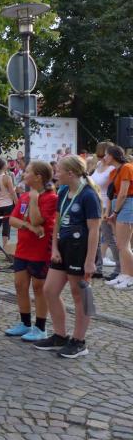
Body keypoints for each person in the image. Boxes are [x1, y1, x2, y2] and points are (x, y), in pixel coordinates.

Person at [34, 155, 101, 358]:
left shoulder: (88, 195)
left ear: (70, 173)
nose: (56, 174)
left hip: (80, 251)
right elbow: (57, 222)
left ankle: (79, 341)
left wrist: (90, 261)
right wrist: (54, 248)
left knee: (79, 295)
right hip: (63, 248)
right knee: (50, 290)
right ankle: (60, 335)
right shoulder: (63, 191)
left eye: (59, 170)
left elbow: (95, 230)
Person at [5, 161, 57, 341]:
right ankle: (25, 323)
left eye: (27, 172)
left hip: (41, 250)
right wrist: (27, 225)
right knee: (19, 285)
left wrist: (34, 200)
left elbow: (36, 221)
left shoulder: (50, 198)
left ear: (38, 177)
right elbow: (12, 220)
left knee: (38, 287)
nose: (24, 174)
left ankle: (40, 327)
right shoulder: (25, 196)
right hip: (23, 249)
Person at [90, 142, 119, 282]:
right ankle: (98, 267)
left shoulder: (112, 168)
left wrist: (108, 210)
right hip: (95, 204)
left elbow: (113, 190)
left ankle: (119, 269)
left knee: (108, 237)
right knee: (95, 237)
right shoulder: (98, 165)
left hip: (106, 205)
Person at [105, 145, 133, 289]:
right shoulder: (113, 171)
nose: (104, 158)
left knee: (124, 244)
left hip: (127, 203)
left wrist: (114, 212)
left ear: (112, 156)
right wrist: (110, 211)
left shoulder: (127, 167)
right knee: (121, 245)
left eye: (106, 155)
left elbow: (123, 193)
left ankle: (130, 276)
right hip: (119, 204)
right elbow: (113, 194)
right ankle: (124, 274)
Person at [0, 157, 17, 250]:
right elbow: (12, 192)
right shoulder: (7, 177)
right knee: (6, 227)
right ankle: (5, 249)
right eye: (6, 163)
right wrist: (17, 203)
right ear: (4, 166)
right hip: (8, 204)